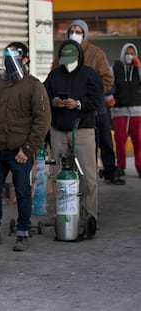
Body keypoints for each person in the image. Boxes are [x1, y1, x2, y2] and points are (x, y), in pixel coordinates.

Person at [0, 42, 51, 251]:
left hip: (20, 152)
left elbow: (42, 121)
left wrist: (28, 149)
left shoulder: (33, 85)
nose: (10, 59)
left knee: (22, 193)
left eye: (16, 56)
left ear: (25, 60)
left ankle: (22, 233)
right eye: (7, 55)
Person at [55, 19, 124, 185]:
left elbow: (107, 79)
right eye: (73, 30)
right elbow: (55, 77)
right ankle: (75, 179)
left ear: (85, 34)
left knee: (104, 141)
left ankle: (108, 172)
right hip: (68, 110)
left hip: (95, 108)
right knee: (79, 149)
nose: (75, 34)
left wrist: (92, 95)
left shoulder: (96, 53)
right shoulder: (63, 52)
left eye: (79, 31)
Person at [44, 40, 103, 222]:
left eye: (71, 59)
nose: (68, 63)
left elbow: (96, 100)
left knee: (88, 176)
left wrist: (78, 104)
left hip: (83, 129)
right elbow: (42, 98)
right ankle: (61, 214)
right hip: (58, 130)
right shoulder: (54, 76)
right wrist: (52, 102)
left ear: (79, 56)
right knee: (58, 176)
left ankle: (90, 216)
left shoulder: (90, 75)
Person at [110, 43, 141, 178]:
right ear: (123, 54)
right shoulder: (114, 68)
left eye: (132, 53)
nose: (130, 56)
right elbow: (108, 85)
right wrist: (109, 98)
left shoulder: (138, 69)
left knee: (139, 141)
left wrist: (139, 68)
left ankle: (140, 167)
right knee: (120, 141)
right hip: (119, 111)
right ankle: (120, 166)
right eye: (128, 53)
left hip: (137, 111)